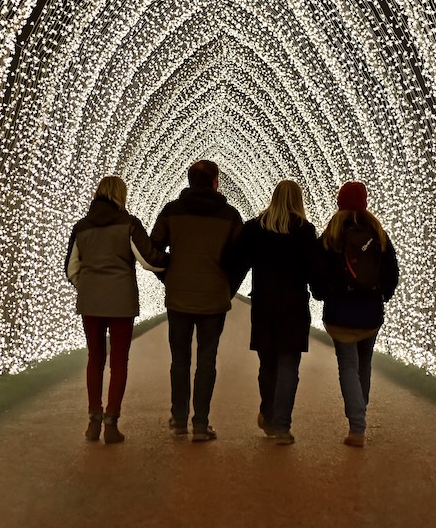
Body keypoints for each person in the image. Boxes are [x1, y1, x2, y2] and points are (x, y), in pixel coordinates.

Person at [65, 176, 166, 444]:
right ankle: (111, 421)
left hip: (91, 303)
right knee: (119, 360)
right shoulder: (129, 224)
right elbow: (149, 260)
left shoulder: (81, 227)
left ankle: (93, 420)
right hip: (121, 302)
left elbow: (71, 268)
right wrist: (174, 261)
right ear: (121, 195)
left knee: (95, 358)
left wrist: (88, 287)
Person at [150, 159, 243, 442]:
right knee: (206, 360)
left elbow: (153, 249)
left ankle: (179, 420)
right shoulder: (230, 216)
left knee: (179, 360)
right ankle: (201, 423)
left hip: (179, 298)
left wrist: (168, 276)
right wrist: (227, 288)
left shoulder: (172, 211)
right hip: (214, 299)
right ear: (215, 182)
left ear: (189, 181)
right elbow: (239, 260)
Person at [313, 181, 399, 447]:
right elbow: (392, 272)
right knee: (364, 365)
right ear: (365, 203)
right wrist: (383, 295)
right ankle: (360, 413)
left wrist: (322, 294)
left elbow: (316, 272)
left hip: (340, 313)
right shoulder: (378, 233)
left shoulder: (331, 235)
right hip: (370, 313)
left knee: (348, 366)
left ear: (339, 203)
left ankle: (357, 426)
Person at [232, 180, 317, 445]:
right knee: (289, 364)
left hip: (265, 304)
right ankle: (281, 425)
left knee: (268, 363)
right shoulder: (305, 231)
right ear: (298, 201)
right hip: (293, 306)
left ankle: (268, 414)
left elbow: (237, 261)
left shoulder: (255, 228)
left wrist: (226, 291)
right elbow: (313, 271)